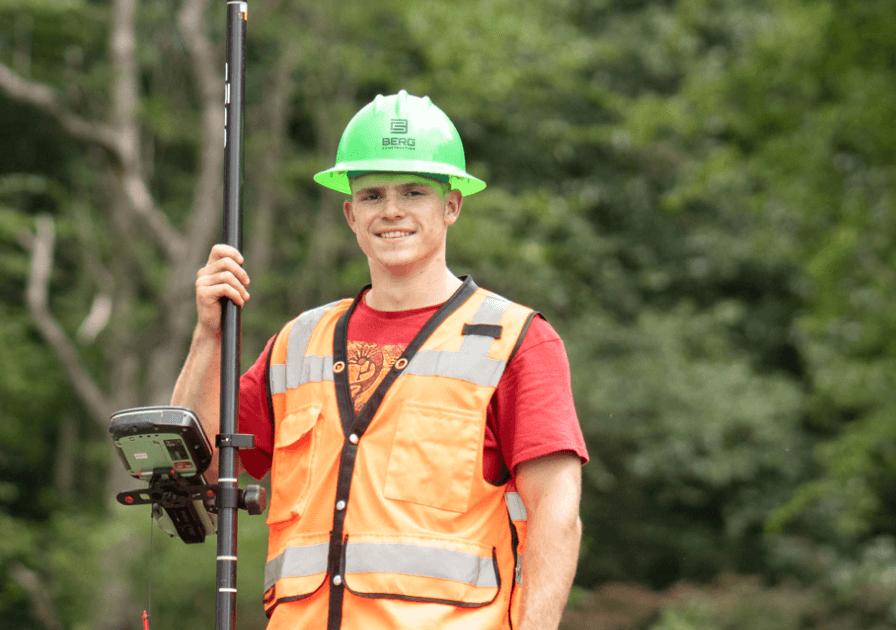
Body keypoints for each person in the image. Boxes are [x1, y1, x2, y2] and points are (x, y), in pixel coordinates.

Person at [171, 90, 586, 630]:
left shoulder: (516, 341)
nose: (391, 210)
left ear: (452, 205)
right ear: (349, 213)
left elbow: (558, 513)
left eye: (413, 192)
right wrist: (209, 335)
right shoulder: (298, 344)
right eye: (371, 196)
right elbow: (193, 468)